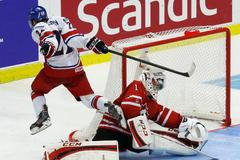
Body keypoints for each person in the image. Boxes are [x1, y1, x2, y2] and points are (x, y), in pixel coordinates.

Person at [67, 67, 208, 156]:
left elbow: (163, 115)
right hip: (111, 131)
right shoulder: (137, 86)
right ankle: (79, 143)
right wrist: (142, 132)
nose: (157, 87)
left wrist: (184, 122)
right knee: (98, 153)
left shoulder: (151, 103)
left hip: (128, 138)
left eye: (160, 85)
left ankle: (188, 146)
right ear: (149, 79)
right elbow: (129, 106)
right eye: (156, 83)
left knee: (155, 139)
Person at [28, 6, 123, 135]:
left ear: (33, 21)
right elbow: (73, 39)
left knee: (36, 90)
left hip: (55, 72)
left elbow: (50, 39)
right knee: (88, 99)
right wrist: (91, 43)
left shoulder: (38, 27)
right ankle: (108, 106)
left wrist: (49, 47)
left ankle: (43, 117)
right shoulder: (60, 20)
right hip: (75, 70)